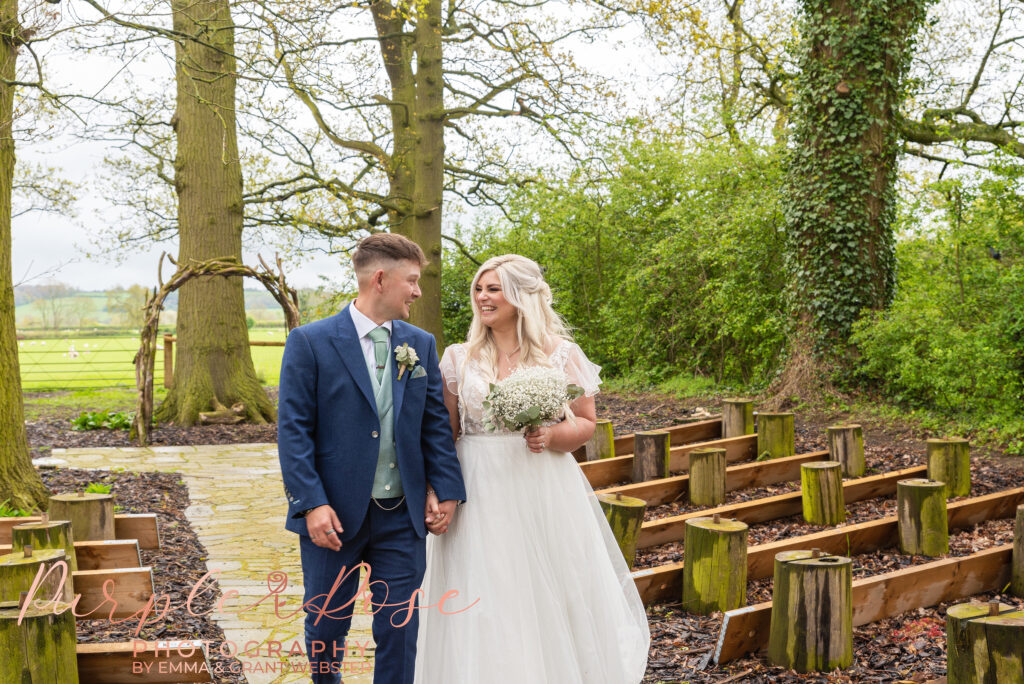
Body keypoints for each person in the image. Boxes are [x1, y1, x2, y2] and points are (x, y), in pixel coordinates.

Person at [414, 254, 650, 683]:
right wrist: (436, 488)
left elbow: (585, 423)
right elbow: (444, 435)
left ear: (521, 296)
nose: (482, 297)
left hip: (542, 487)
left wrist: (552, 435)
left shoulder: (560, 355)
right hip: (477, 489)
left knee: (546, 589)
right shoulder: (457, 358)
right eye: (479, 289)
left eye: (493, 289)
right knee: (483, 588)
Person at [277, 233, 467, 684]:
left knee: (399, 629)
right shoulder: (311, 342)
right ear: (380, 279)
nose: (418, 291)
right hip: (333, 517)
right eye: (412, 281)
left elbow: (434, 425)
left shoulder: (419, 344)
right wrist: (311, 503)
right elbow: (293, 431)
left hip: (402, 517)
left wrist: (447, 490)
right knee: (326, 625)